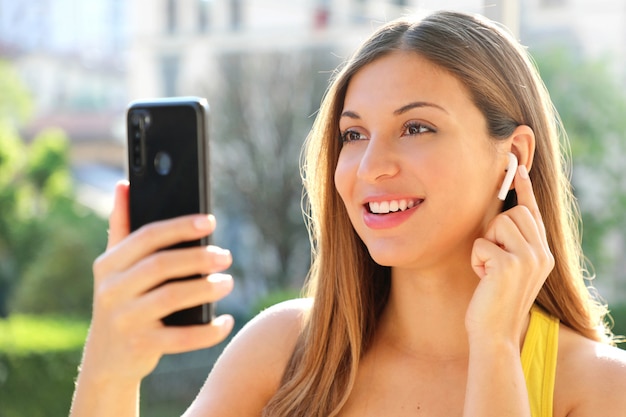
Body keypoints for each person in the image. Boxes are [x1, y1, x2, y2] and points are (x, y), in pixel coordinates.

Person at [70, 10, 626, 417]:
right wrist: (111, 366)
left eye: (416, 128)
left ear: (515, 156)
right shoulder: (283, 353)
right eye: (353, 134)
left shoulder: (597, 390)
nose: (370, 166)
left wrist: (496, 348)